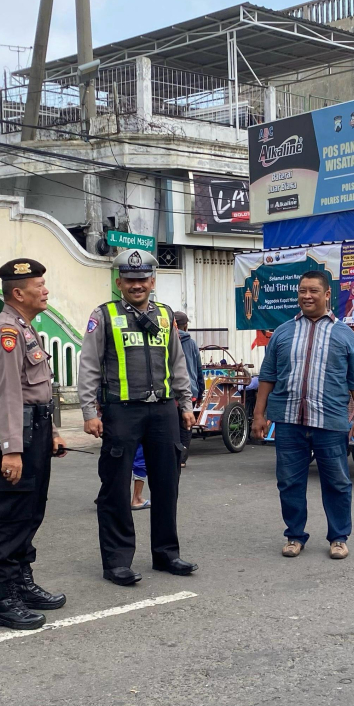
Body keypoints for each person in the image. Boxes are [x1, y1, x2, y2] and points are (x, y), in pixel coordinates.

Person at [77, 249, 197, 586]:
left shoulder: (165, 315)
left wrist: (186, 404)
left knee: (167, 484)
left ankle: (166, 554)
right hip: (121, 411)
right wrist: (89, 411)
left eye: (143, 279)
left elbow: (177, 363)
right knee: (116, 487)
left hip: (163, 410)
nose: (137, 285)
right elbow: (89, 364)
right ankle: (117, 562)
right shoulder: (104, 315)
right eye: (130, 280)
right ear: (119, 283)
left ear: (152, 281)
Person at [251, 270, 354, 560]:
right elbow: (267, 376)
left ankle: (338, 537)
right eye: (302, 291)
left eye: (313, 291)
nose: (307, 296)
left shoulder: (344, 334)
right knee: (289, 482)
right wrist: (259, 414)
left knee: (337, 482)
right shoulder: (283, 332)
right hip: (289, 421)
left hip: (330, 422)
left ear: (327, 295)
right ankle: (294, 535)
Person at [0, 259, 68, 631]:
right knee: (12, 518)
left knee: (31, 513)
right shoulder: (7, 332)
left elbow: (41, 388)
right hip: (19, 434)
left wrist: (54, 431)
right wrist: (12, 449)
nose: (45, 291)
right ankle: (3, 601)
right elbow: (9, 394)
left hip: (36, 429)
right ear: (18, 293)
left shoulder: (25, 326)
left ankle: (22, 584)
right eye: (39, 286)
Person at [173, 312, 203, 468]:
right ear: (185, 325)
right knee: (186, 425)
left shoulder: (166, 340)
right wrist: (200, 391)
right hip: (189, 390)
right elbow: (198, 369)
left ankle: (172, 457)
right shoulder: (191, 343)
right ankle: (182, 459)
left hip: (171, 391)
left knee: (172, 425)